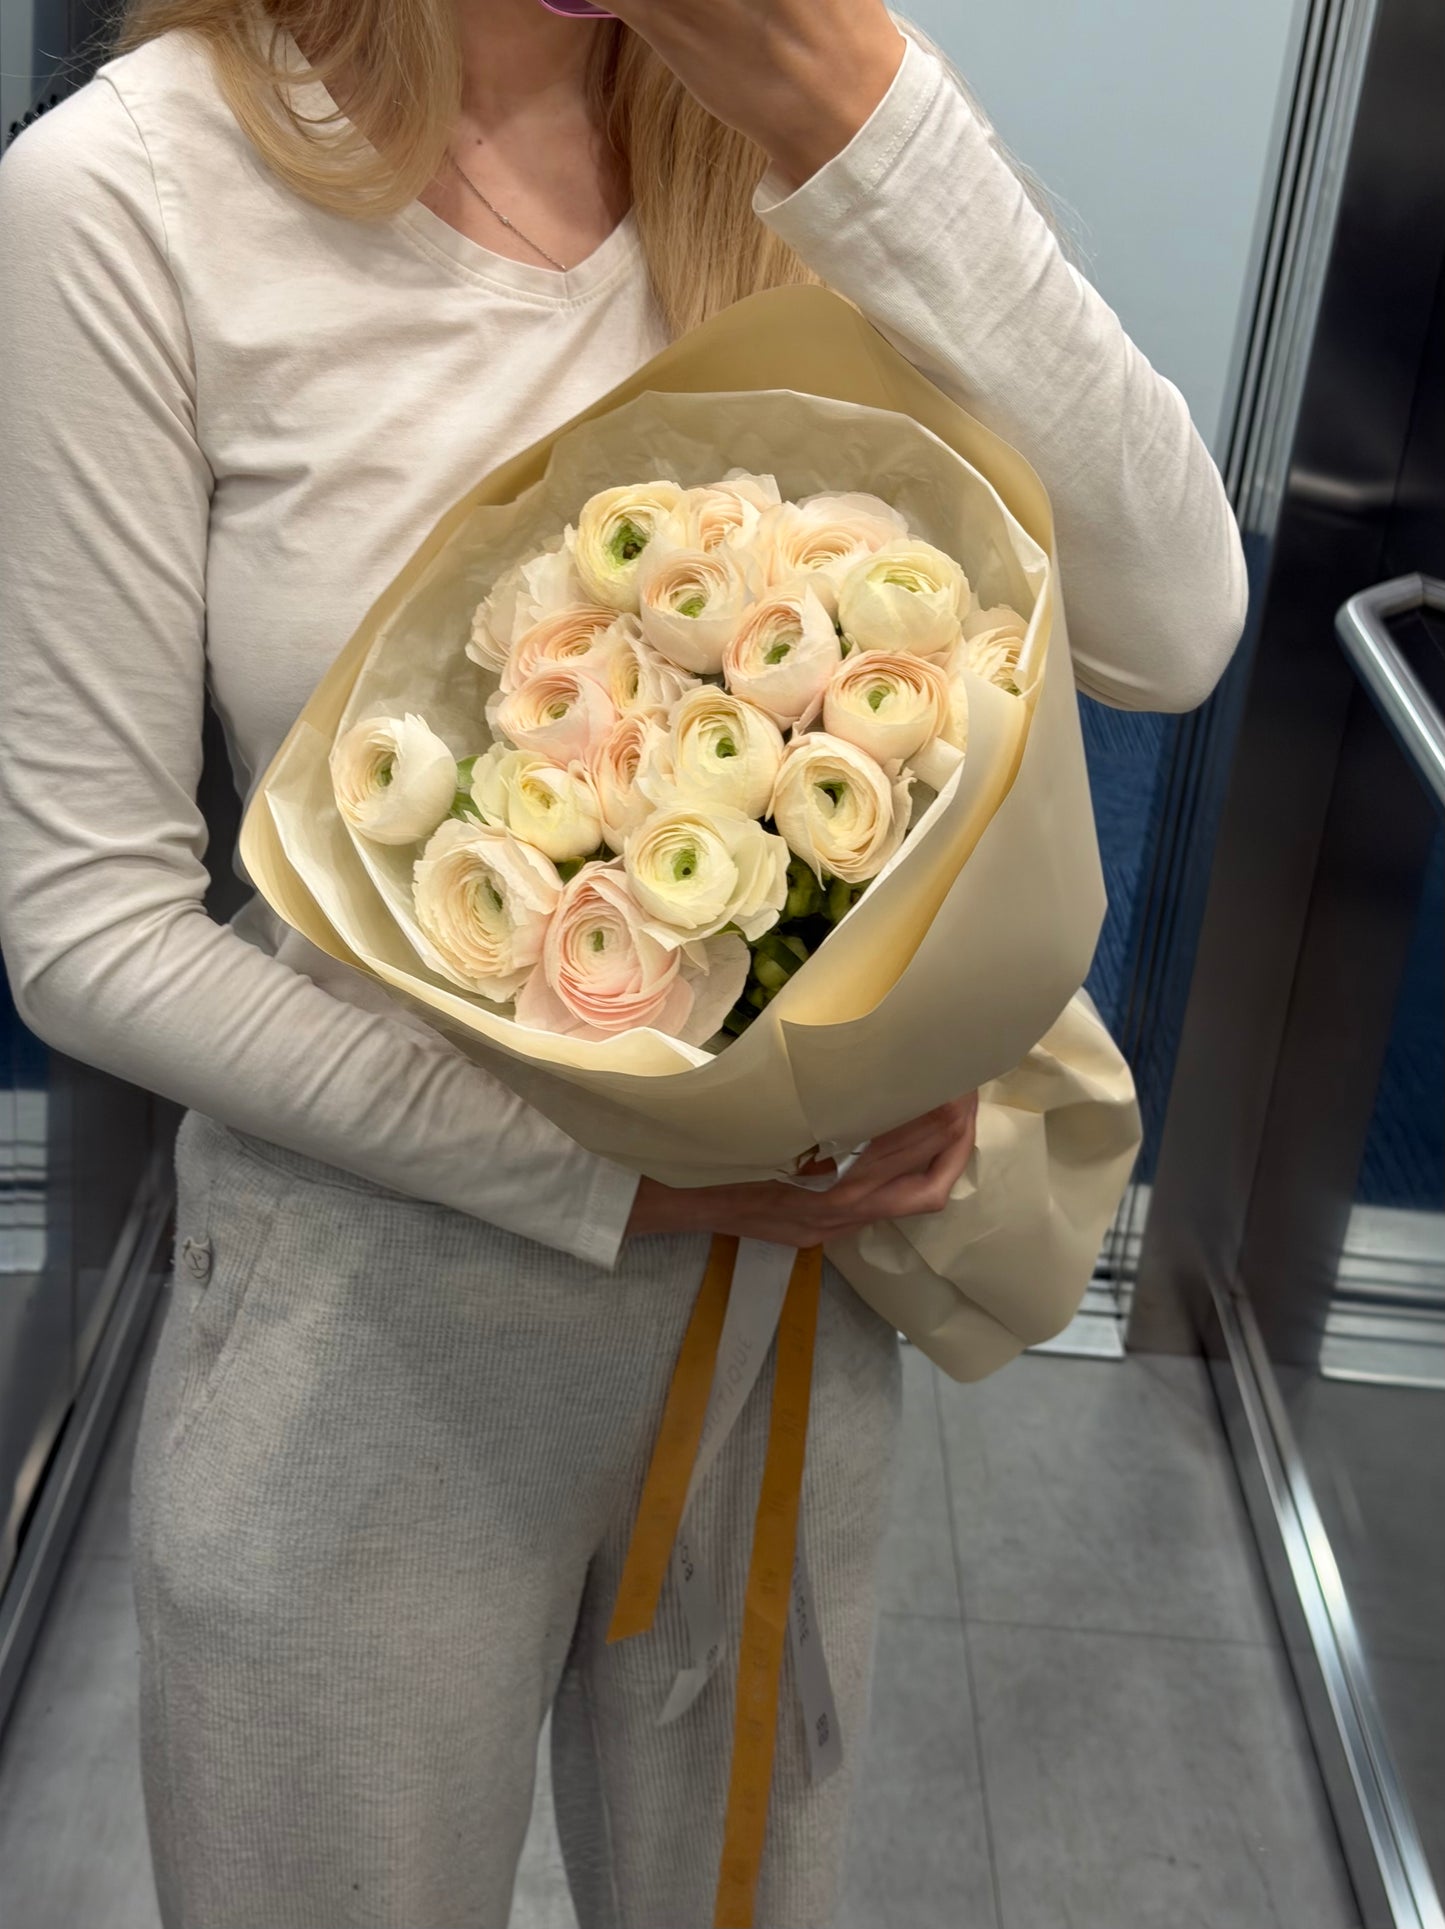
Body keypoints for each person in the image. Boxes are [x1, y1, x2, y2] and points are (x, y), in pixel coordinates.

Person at [0, 3, 1247, 1924]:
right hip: (372, 1340)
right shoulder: (130, 197)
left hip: (768, 1328)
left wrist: (863, 119)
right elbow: (87, 927)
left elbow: (1174, 622)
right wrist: (623, 1172)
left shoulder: (825, 133)